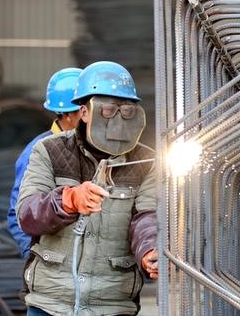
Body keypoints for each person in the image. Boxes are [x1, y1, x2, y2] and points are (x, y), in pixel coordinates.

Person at [17, 61, 158, 316]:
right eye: (107, 110)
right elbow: (27, 214)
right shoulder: (48, 150)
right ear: (84, 112)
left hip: (112, 304)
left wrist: (150, 249)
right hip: (51, 304)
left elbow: (147, 217)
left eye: (125, 111)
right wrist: (68, 200)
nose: (117, 119)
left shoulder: (147, 163)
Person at [8, 67, 83, 258]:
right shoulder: (37, 152)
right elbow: (19, 214)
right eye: (84, 110)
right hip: (53, 265)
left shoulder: (99, 149)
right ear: (66, 114)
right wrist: (32, 257)